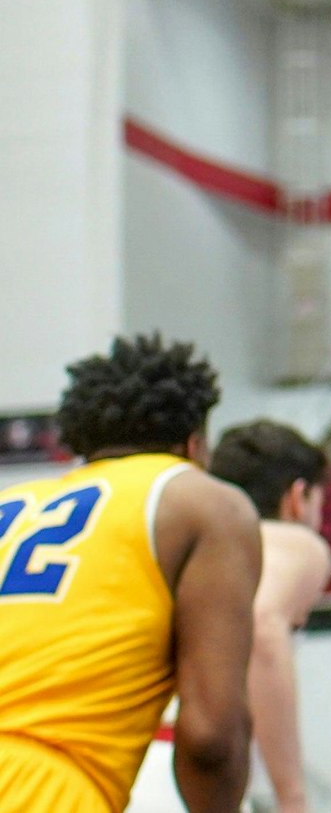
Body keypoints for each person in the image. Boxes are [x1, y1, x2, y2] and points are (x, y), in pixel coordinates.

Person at [0, 334, 262, 813]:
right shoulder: (198, 500)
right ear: (194, 445)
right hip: (38, 790)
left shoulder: (10, 504)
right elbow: (210, 736)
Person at [207, 420, 331, 813]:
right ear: (297, 497)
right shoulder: (291, 541)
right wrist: (292, 796)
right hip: (188, 770)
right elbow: (261, 624)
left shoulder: (189, 539)